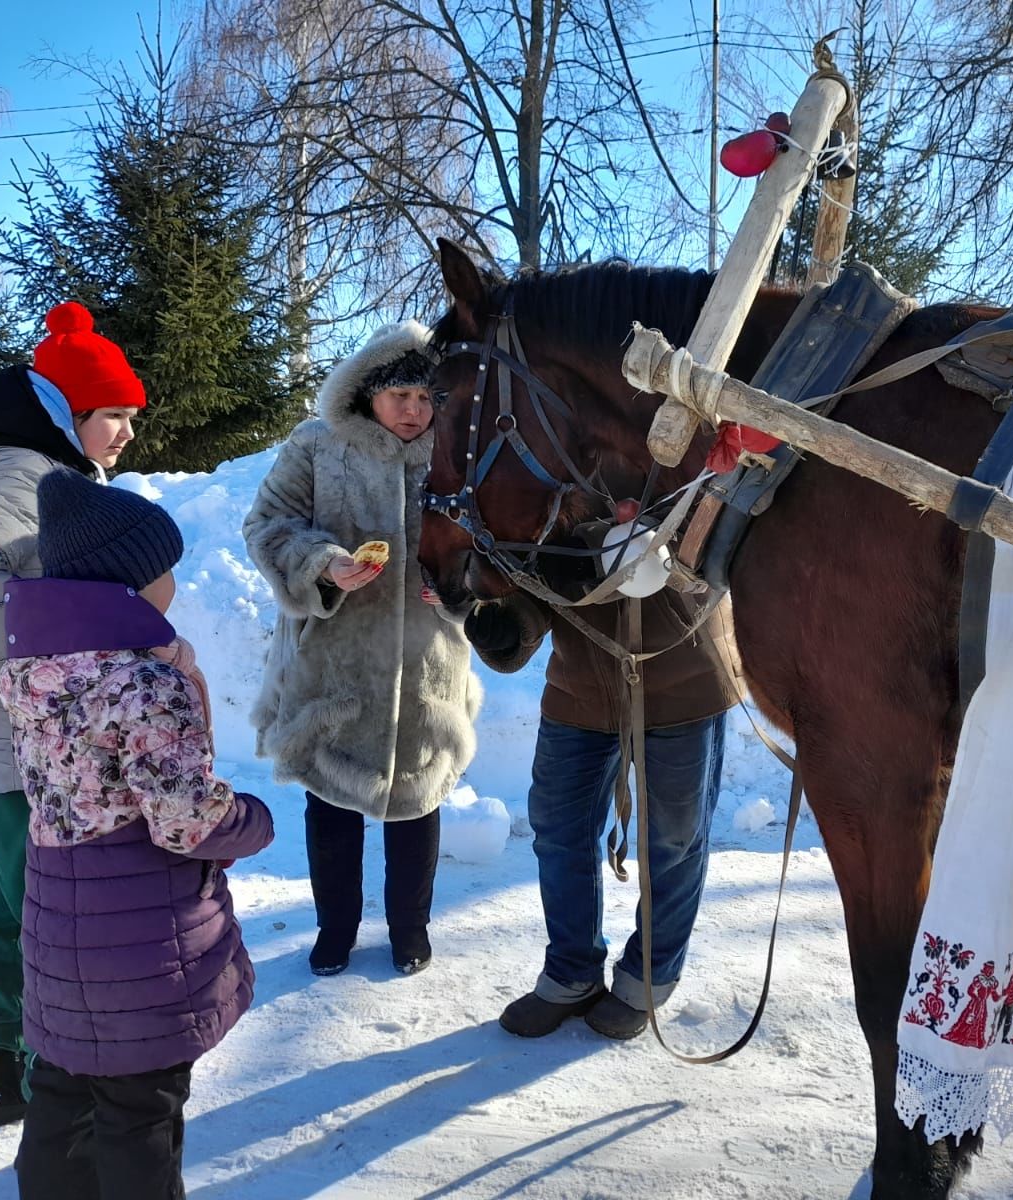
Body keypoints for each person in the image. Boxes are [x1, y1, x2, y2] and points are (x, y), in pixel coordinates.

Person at [0, 470, 273, 1200]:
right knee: (138, 1113)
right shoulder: (147, 686)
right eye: (164, 569)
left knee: (61, 1094)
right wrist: (254, 819)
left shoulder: (33, 670)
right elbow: (188, 821)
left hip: (58, 929)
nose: (174, 583)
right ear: (127, 585)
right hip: (140, 943)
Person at [0, 300, 146, 1126]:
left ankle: (7, 1053)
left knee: (9, 893)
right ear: (68, 411)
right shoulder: (21, 471)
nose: (127, 432)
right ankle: (39, 1070)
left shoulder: (39, 467)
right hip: (15, 727)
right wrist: (55, 650)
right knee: (39, 902)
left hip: (18, 726)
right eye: (114, 415)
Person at [244, 321, 480, 976]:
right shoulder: (318, 447)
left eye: (425, 397)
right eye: (399, 395)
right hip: (333, 659)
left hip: (425, 662)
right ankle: (335, 930)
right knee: (331, 805)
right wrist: (322, 564)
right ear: (368, 393)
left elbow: (495, 537)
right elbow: (267, 524)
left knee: (418, 800)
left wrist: (464, 589)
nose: (413, 410)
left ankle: (411, 930)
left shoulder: (456, 448)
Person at [464, 580, 736, 1040]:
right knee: (557, 827)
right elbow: (544, 567)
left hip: (685, 673)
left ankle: (647, 979)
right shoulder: (557, 500)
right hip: (582, 679)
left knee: (674, 839)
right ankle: (572, 974)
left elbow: (721, 542)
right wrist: (510, 624)